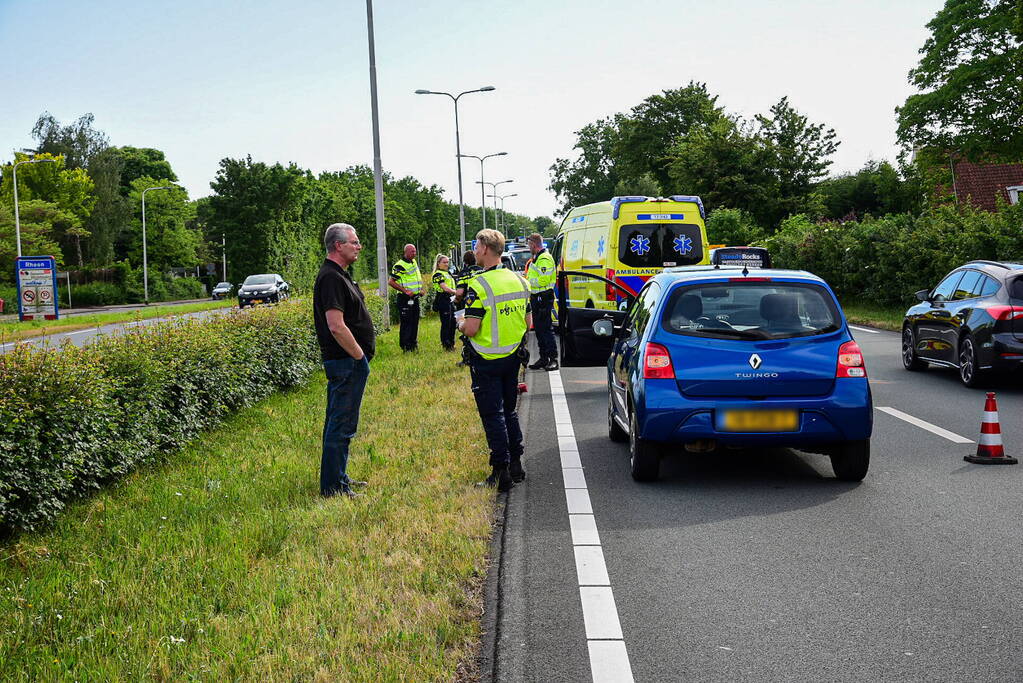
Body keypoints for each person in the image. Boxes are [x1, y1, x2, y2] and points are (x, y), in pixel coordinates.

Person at [458, 229, 532, 491]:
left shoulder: (478, 286)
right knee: (509, 411)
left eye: (476, 246)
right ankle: (516, 464)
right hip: (512, 357)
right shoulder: (521, 281)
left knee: (493, 415)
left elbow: (472, 329)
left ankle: (500, 473)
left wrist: (460, 323)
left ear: (486, 249)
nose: (475, 251)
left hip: (486, 359)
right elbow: (528, 322)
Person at [313, 223, 375, 499]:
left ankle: (339, 477)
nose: (359, 246)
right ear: (338, 246)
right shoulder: (331, 278)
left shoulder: (340, 276)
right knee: (341, 424)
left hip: (348, 362)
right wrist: (359, 356)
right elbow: (336, 325)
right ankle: (334, 488)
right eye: (354, 242)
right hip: (346, 362)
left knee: (342, 422)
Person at [524, 232, 559, 371]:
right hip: (537, 296)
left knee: (545, 329)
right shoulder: (537, 258)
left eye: (529, 244)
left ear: (533, 244)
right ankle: (544, 358)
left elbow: (543, 280)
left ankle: (553, 359)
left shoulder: (544, 258)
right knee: (539, 329)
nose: (528, 247)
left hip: (543, 296)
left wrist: (527, 282)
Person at [388, 244, 423, 352]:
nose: (414, 253)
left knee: (415, 322)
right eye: (412, 251)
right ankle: (406, 346)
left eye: (415, 251)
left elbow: (415, 278)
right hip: (404, 299)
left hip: (415, 298)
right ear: (406, 252)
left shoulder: (413, 262)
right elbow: (391, 282)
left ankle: (413, 344)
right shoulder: (399, 265)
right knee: (407, 323)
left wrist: (420, 290)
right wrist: (405, 291)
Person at [431, 253, 458, 351]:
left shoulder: (447, 273)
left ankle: (451, 343)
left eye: (447, 262)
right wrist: (457, 293)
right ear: (438, 264)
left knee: (453, 322)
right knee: (446, 323)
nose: (446, 264)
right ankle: (446, 345)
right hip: (443, 299)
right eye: (444, 262)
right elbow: (445, 288)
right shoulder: (438, 274)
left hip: (450, 299)